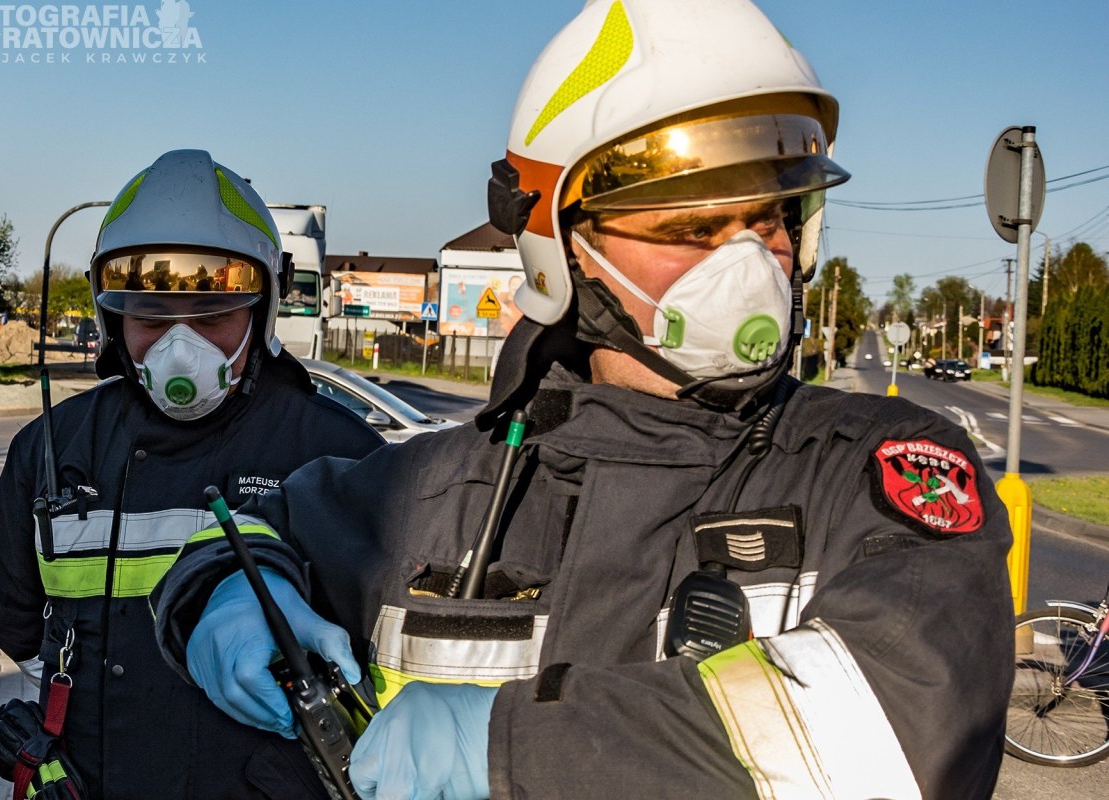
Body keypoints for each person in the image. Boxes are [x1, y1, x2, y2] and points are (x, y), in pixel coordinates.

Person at [153, 3, 1013, 798]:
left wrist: (503, 749)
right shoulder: (437, 493)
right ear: (562, 246)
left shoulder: (872, 474)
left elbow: (900, 719)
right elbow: (247, 532)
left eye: (769, 220)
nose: (752, 262)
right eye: (691, 227)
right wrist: (229, 591)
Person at [0, 149, 383, 799]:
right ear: (113, 315)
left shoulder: (338, 452)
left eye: (211, 316)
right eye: (151, 317)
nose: (180, 348)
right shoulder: (51, 450)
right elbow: (18, 624)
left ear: (263, 306)